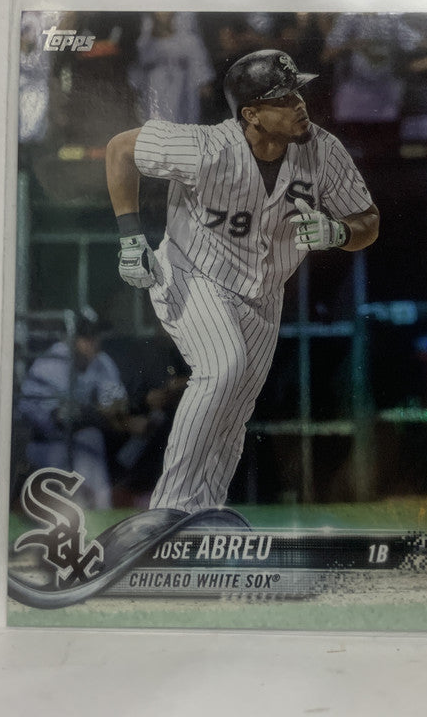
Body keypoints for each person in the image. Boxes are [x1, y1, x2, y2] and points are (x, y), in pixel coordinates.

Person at [105, 49, 380, 513]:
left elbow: (368, 220)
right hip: (193, 273)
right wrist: (131, 239)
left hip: (263, 294)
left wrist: (338, 232)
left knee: (234, 410)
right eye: (283, 97)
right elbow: (120, 150)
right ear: (251, 114)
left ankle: (203, 514)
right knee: (222, 368)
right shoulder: (205, 147)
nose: (299, 103)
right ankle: (169, 510)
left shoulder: (324, 150)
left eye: (298, 92)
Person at [14, 310, 136, 510]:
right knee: (88, 440)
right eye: (85, 337)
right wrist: (103, 413)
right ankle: (86, 509)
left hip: (76, 436)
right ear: (71, 338)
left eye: (95, 336)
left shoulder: (101, 361)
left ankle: (99, 509)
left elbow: (118, 401)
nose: (92, 343)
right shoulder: (54, 361)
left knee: (91, 438)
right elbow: (60, 416)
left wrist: (111, 411)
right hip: (45, 443)